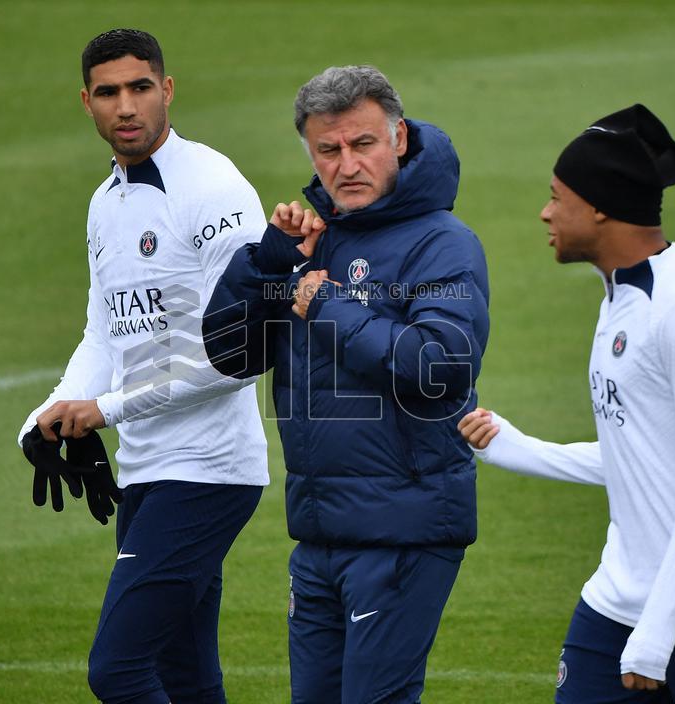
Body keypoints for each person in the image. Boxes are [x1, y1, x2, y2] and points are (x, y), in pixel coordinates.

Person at [459, 104, 675, 703]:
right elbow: (644, 454)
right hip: (618, 600)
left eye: (557, 196)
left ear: (600, 206)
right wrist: (521, 448)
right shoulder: (618, 296)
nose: (545, 211)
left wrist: (658, 629)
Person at [203, 66, 490, 704]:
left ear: (400, 140)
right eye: (328, 150)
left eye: (363, 144)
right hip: (318, 536)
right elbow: (230, 355)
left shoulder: (443, 244)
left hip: (403, 532)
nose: (347, 164)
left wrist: (325, 305)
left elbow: (440, 367)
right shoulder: (313, 243)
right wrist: (268, 263)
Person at [16, 28, 269, 704]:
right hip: (147, 473)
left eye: (139, 88)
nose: (125, 106)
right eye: (107, 93)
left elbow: (240, 355)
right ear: (86, 102)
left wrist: (106, 409)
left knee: (119, 670)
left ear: (167, 89)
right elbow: (106, 331)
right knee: (185, 677)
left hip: (208, 472)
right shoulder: (107, 202)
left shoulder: (214, 188)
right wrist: (51, 412)